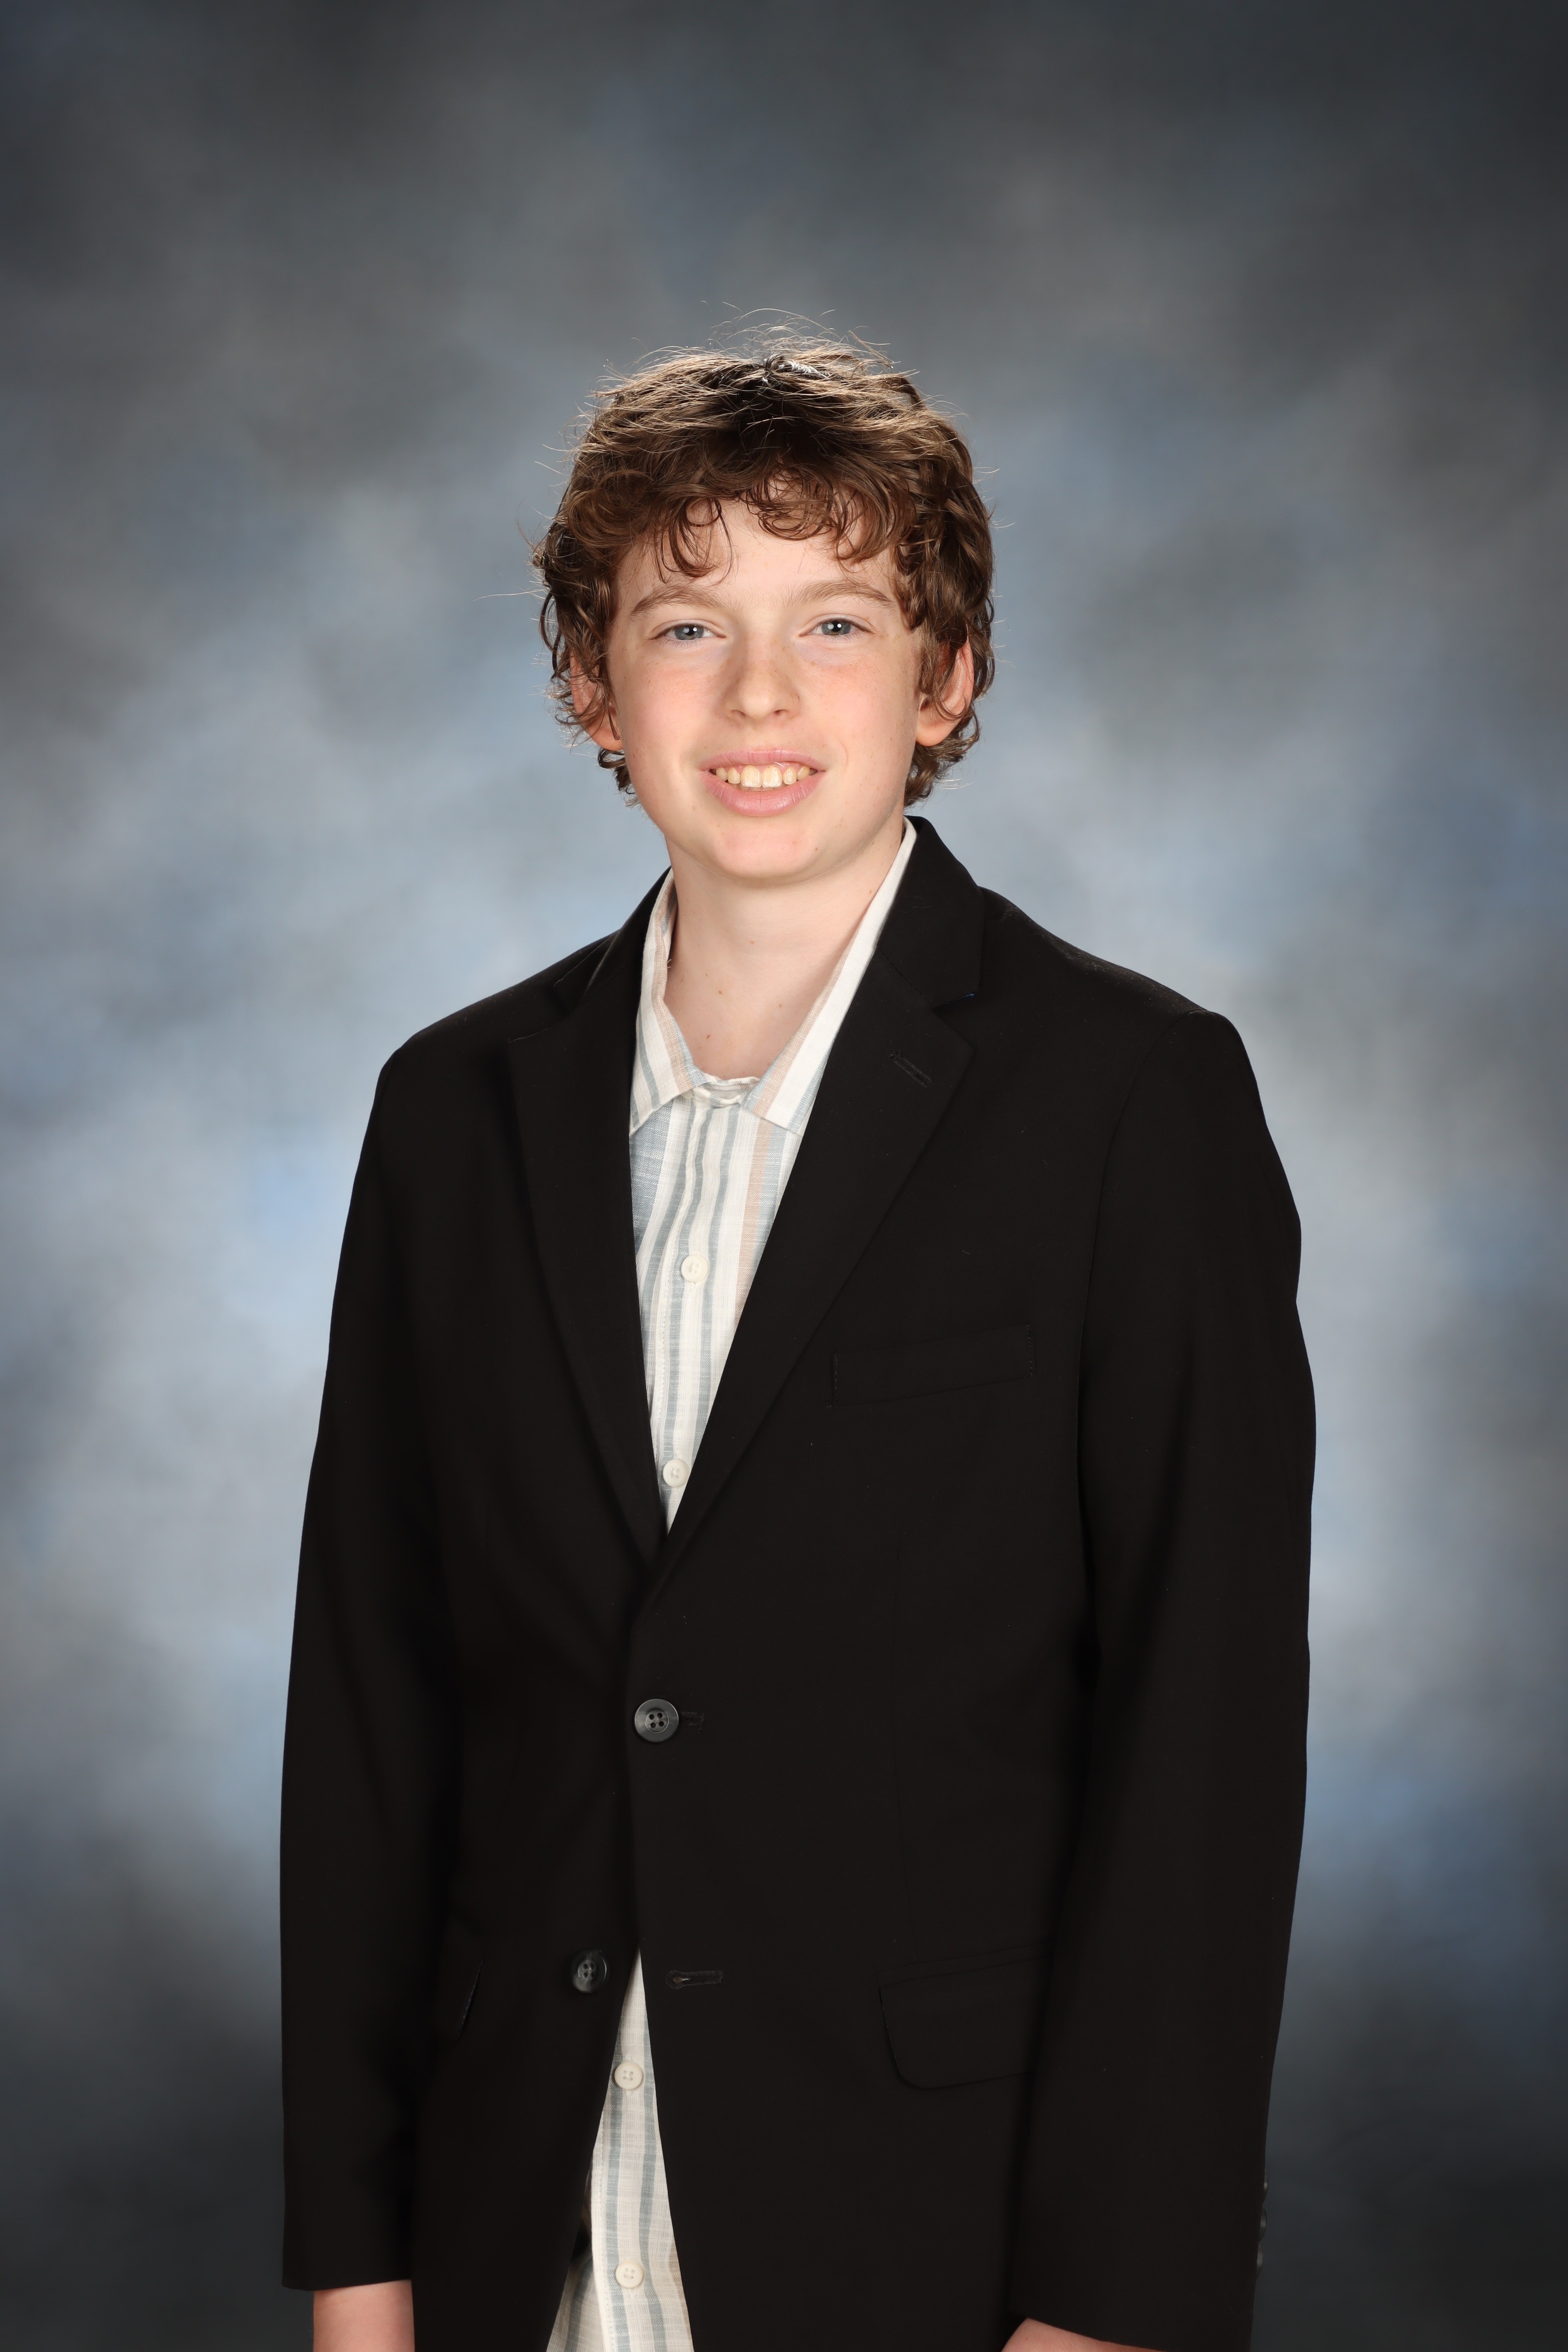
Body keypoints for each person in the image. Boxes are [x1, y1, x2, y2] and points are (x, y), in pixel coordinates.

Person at [280, 343, 1314, 2352]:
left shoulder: (1132, 1100)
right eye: (686, 625)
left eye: (834, 622)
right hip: (514, 2235)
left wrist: (1114, 2314)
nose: (757, 695)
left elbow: (1198, 1755)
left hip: (931, 2240)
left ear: (943, 679)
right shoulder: (452, 1111)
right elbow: (369, 1724)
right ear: (594, 688)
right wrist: (357, 2267)